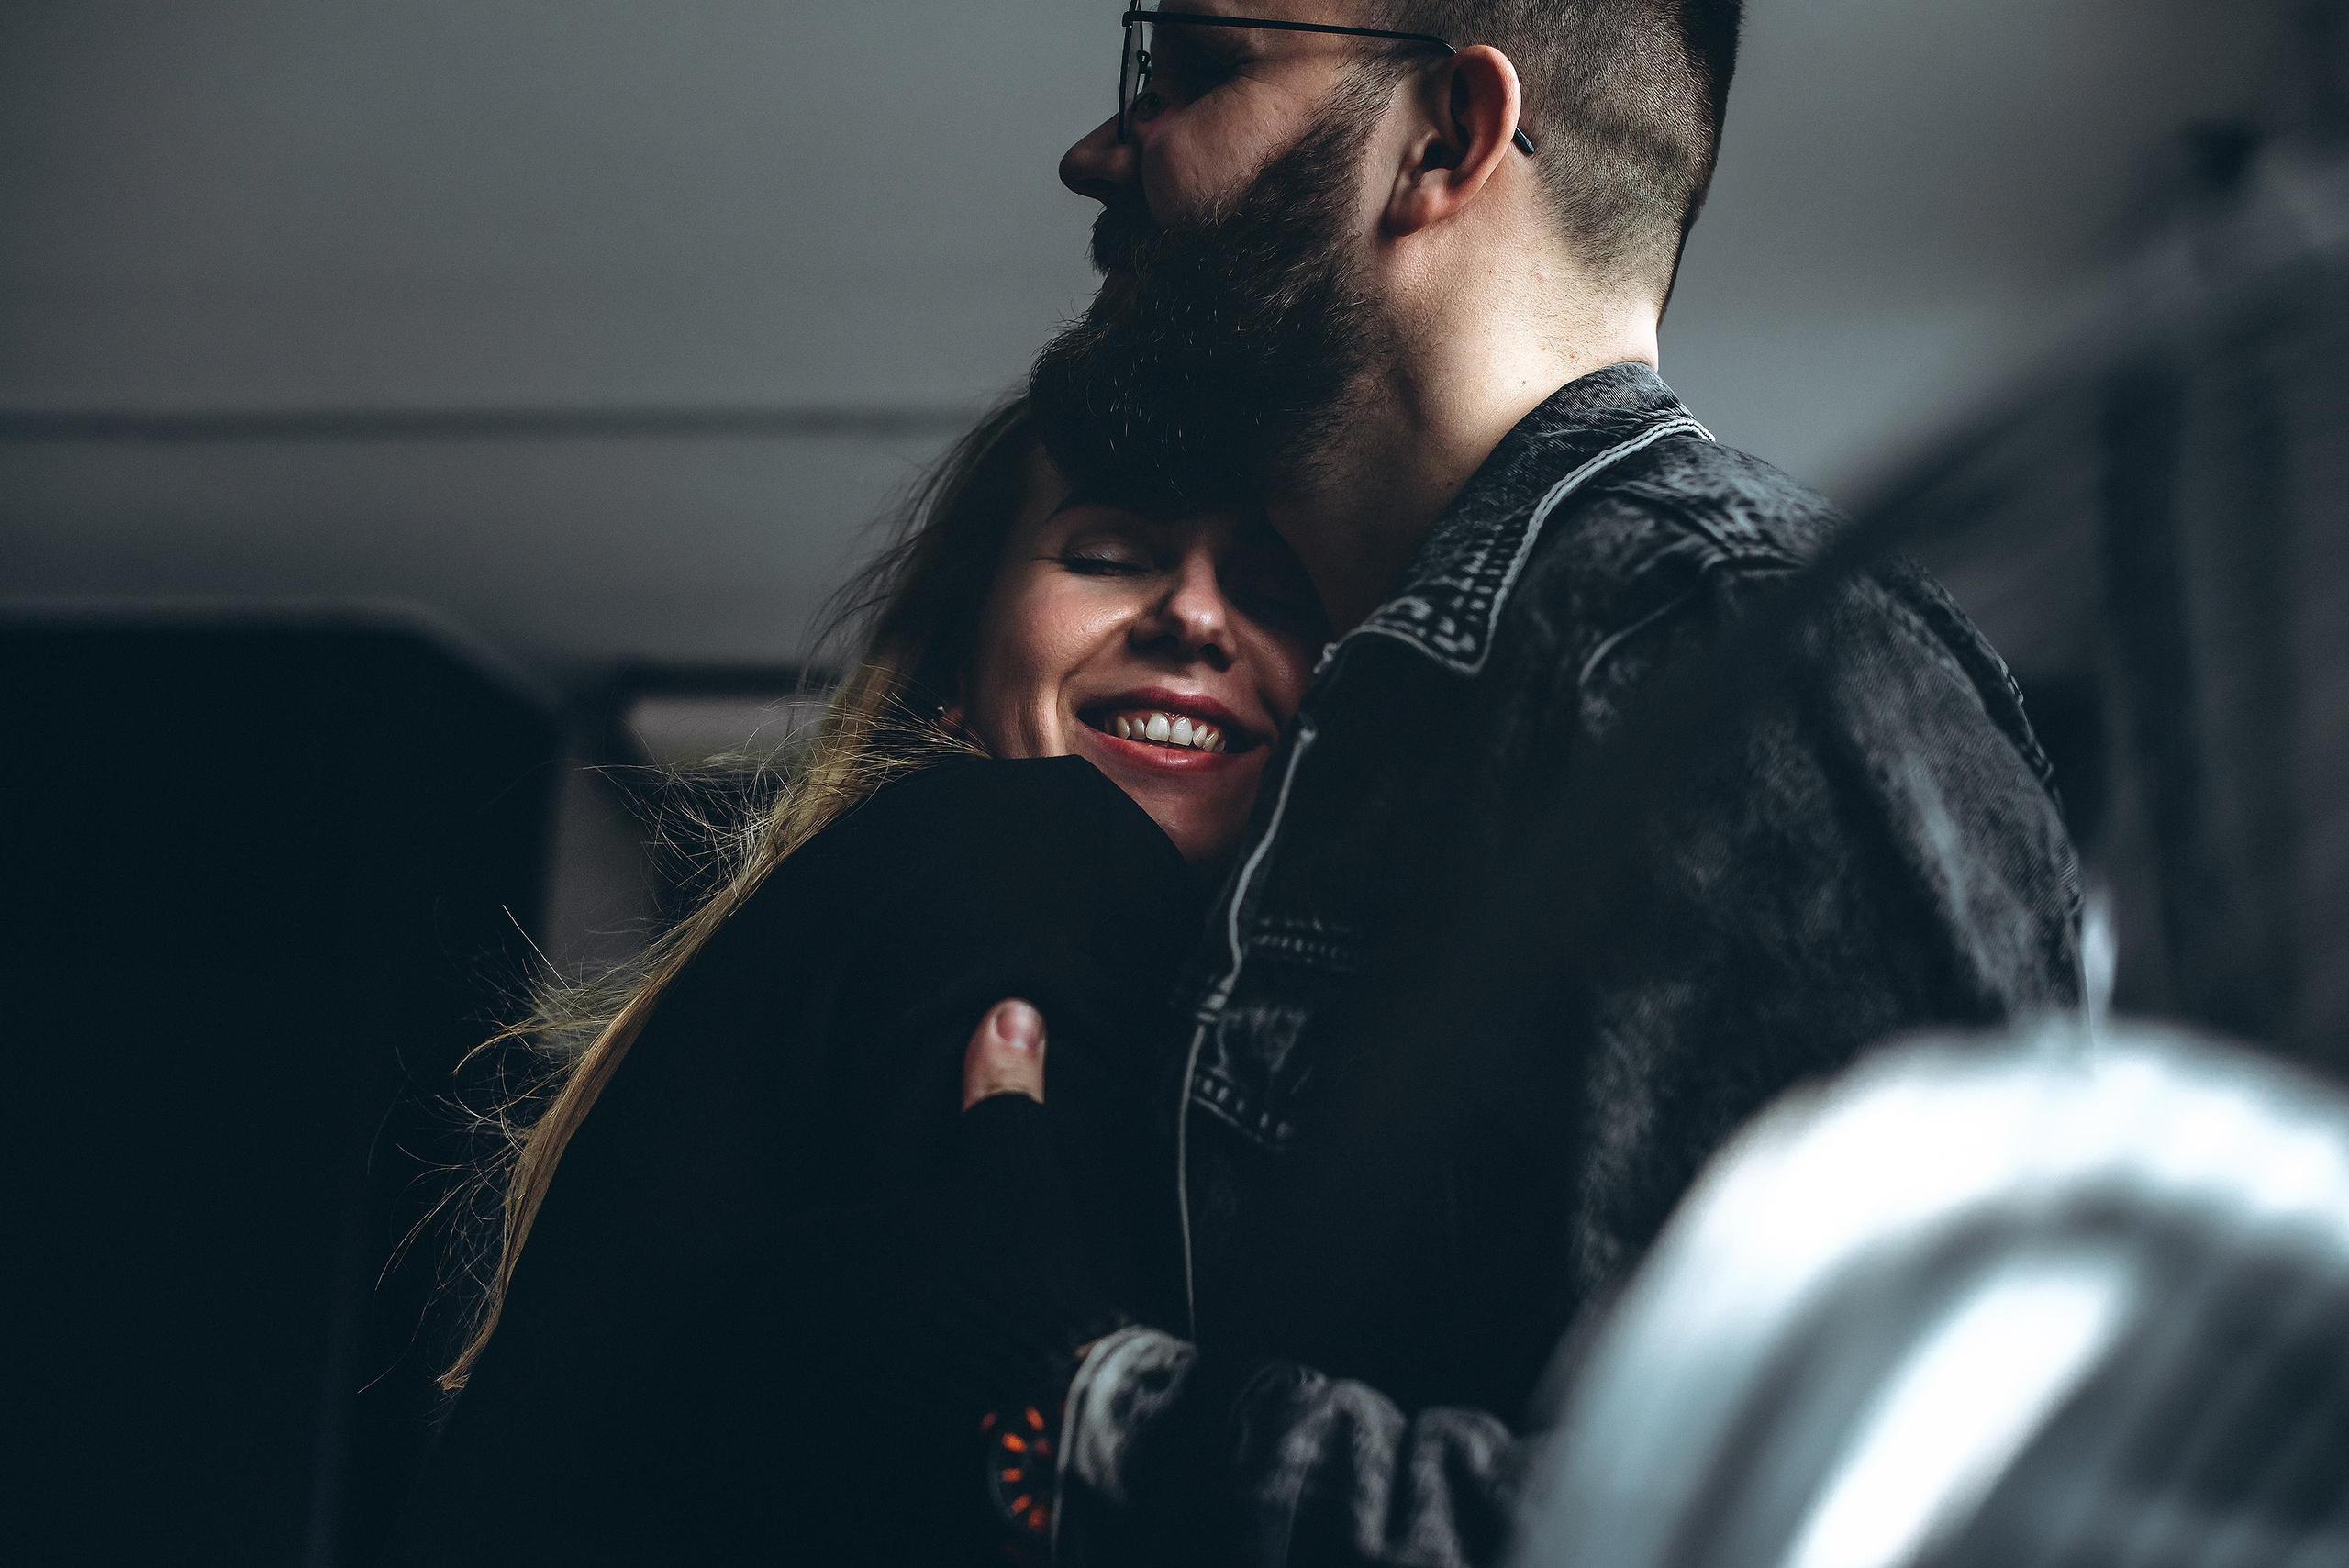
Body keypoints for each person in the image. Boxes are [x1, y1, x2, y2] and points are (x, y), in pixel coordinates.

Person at [932, 4, 2087, 1563]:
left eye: (1196, 70)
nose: (1100, 152)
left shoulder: (1719, 652)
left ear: (1446, 143)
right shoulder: (1381, 721)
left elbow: (1903, 1518)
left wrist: (1081, 1399)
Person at [387, 398, 1329, 1564]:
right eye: (1105, 556)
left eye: (1279, 588)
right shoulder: (1027, 850)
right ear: (955, 657)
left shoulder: (851, 948)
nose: (1191, 613)